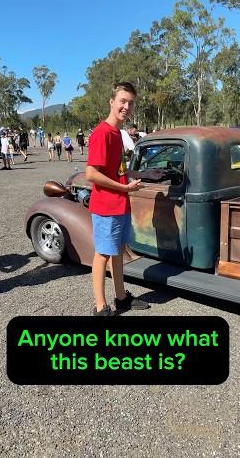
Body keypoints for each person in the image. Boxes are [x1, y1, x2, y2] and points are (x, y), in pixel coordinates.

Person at [85, 82, 150, 316]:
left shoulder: (118, 133)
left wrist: (135, 177)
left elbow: (115, 170)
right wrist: (124, 189)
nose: (126, 106)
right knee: (102, 254)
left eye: (130, 103)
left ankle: (121, 298)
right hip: (107, 206)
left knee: (118, 251)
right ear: (111, 101)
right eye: (122, 101)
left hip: (120, 204)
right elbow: (91, 174)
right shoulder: (102, 133)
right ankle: (101, 306)